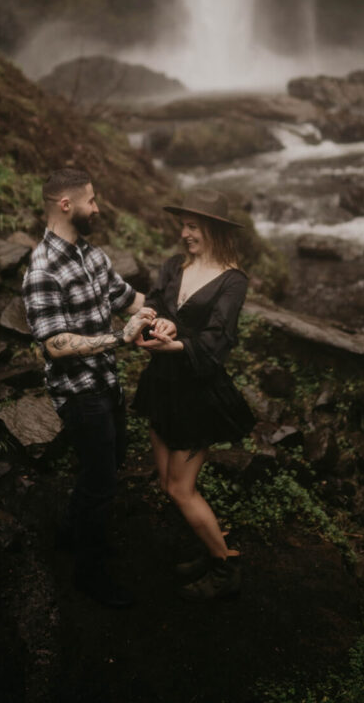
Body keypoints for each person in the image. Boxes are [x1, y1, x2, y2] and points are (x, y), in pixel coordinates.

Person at [22, 167, 156, 608]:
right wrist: (119, 338)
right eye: (92, 201)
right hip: (79, 394)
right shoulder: (43, 269)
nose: (97, 208)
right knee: (101, 481)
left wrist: (165, 310)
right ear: (66, 205)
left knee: (110, 462)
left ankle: (69, 532)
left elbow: (127, 299)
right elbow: (55, 346)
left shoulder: (91, 256)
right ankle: (90, 573)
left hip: (108, 383)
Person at [133, 187, 256, 602]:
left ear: (214, 231)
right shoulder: (172, 267)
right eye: (183, 225)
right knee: (169, 484)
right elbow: (153, 304)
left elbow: (218, 340)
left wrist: (176, 344)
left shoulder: (232, 281)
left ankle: (226, 566)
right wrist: (155, 321)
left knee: (182, 489)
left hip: (197, 395)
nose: (185, 233)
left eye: (193, 226)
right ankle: (210, 550)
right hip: (160, 386)